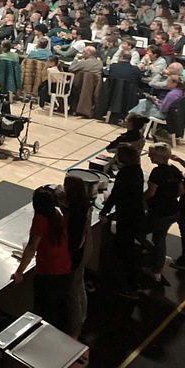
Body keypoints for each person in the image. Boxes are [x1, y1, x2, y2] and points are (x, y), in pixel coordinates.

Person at [11, 187, 71, 332]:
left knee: (44, 312)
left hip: (48, 273)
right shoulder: (56, 214)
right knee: (58, 311)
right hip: (64, 269)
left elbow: (32, 247)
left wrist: (19, 272)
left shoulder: (40, 219)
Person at [99, 144, 146, 299]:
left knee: (124, 249)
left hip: (127, 215)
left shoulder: (125, 173)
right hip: (136, 213)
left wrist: (104, 211)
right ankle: (129, 281)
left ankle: (131, 287)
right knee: (126, 246)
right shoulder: (137, 170)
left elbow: (116, 195)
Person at [144, 143, 184, 283]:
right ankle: (157, 270)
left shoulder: (157, 172)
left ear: (158, 157)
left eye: (151, 154)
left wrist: (139, 199)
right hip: (173, 211)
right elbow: (181, 190)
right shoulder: (175, 170)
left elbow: (150, 193)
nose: (149, 156)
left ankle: (157, 257)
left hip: (159, 212)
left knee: (137, 231)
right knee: (159, 238)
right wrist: (170, 198)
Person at [62, 175, 92, 339]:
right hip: (83, 251)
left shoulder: (76, 213)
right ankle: (82, 318)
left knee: (73, 292)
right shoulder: (84, 206)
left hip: (75, 255)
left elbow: (73, 241)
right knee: (79, 286)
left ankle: (75, 330)